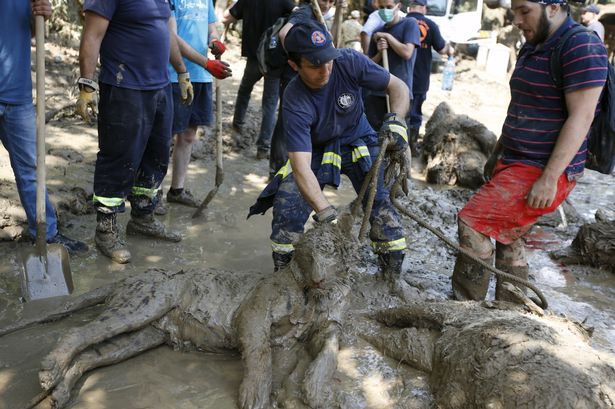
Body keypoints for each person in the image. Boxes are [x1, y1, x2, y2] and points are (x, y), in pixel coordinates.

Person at [452, 0, 608, 303]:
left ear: (553, 8)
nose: (517, 20)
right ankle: (511, 309)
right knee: (509, 235)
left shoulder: (581, 45)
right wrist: (498, 152)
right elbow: (520, 106)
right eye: (514, 12)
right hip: (514, 160)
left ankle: (465, 308)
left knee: (472, 223)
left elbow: (582, 117)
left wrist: (550, 178)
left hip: (543, 167)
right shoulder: (533, 45)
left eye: (525, 11)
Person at [248, 20, 410, 283]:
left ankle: (391, 278)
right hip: (317, 149)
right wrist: (326, 214)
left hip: (359, 138)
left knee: (380, 202)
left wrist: (397, 121)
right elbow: (300, 166)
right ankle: (284, 278)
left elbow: (399, 87)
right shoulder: (294, 99)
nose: (325, 70)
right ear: (294, 66)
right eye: (314, 65)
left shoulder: (349, 61)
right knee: (287, 204)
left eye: (328, 60)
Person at [76, 0, 193, 264]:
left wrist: (182, 72)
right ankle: (106, 231)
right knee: (119, 157)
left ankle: (143, 218)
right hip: (124, 87)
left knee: (157, 155)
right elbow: (92, 35)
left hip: (160, 87)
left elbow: (166, 33)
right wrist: (86, 84)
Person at [0, 0, 87, 254]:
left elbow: (28, 30)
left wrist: (42, 16)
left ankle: (46, 233)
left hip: (18, 96)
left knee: (30, 168)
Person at [161, 0, 232, 212]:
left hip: (202, 76)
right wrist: (207, 62)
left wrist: (215, 41)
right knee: (163, 136)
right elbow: (171, 37)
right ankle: (150, 192)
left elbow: (211, 28)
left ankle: (177, 190)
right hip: (175, 73)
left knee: (189, 135)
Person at [269, 0, 336, 179]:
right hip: (299, 73)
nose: (328, 4)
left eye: (332, 1)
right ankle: (277, 168)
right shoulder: (305, 11)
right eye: (325, 0)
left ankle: (302, 166)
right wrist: (299, 63)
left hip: (312, 73)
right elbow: (284, 33)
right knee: (287, 119)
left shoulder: (317, 14)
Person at [222, 0, 295, 160]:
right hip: (274, 60)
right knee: (269, 104)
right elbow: (298, 15)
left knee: (244, 91)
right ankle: (263, 147)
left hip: (254, 57)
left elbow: (226, 17)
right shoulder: (284, 2)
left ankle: (237, 129)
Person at [406, 0, 454, 156]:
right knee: (415, 113)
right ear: (424, 8)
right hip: (420, 78)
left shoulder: (401, 21)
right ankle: (411, 147)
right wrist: (449, 49)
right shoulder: (431, 25)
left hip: (400, 76)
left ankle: (397, 145)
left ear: (409, 7)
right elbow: (441, 49)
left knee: (397, 110)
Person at [366, 0, 420, 131]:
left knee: (398, 136)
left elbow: (407, 52)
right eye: (382, 7)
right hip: (377, 93)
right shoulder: (377, 32)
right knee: (375, 137)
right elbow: (368, 65)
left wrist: (387, 37)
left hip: (400, 94)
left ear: (398, 6)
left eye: (389, 7)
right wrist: (379, 52)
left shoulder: (409, 24)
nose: (385, 10)